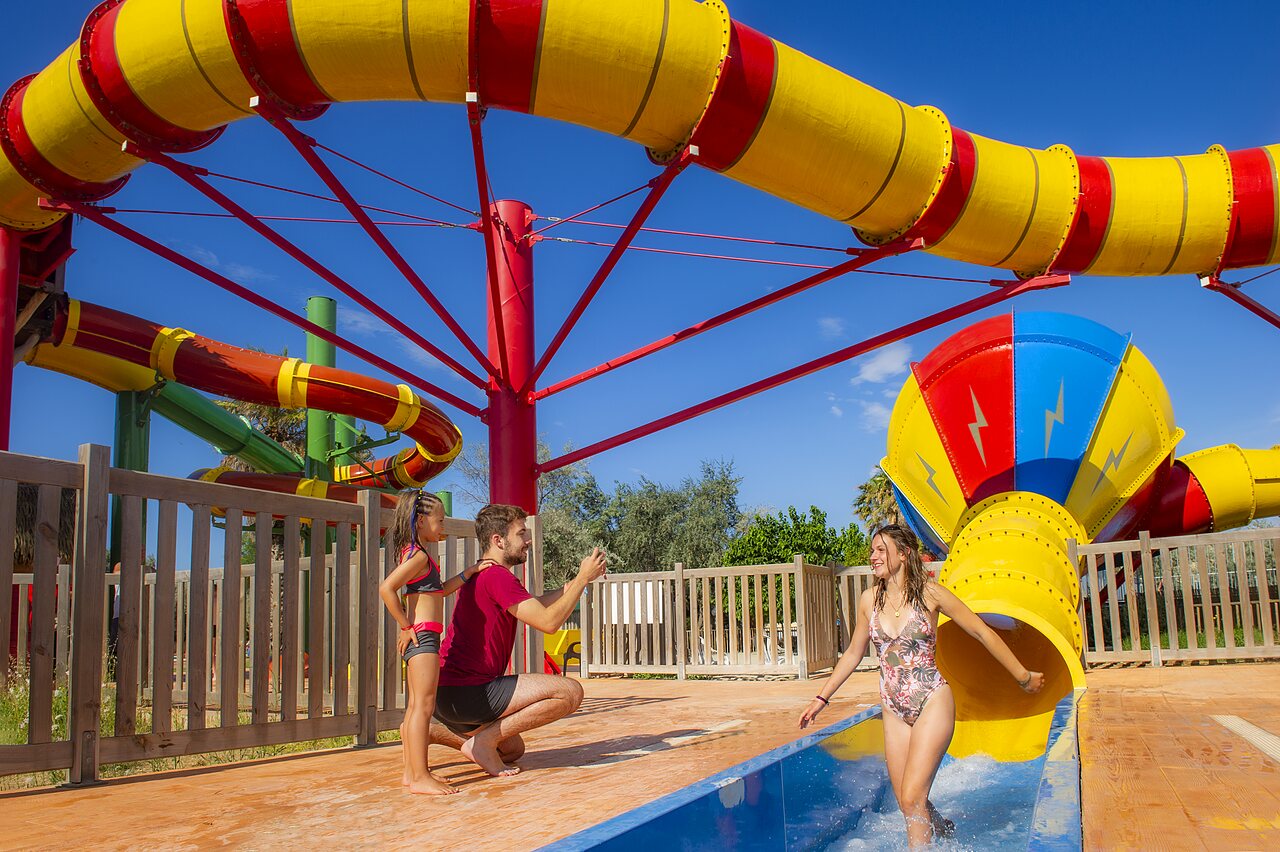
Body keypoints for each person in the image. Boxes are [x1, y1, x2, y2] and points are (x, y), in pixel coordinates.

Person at [798, 524, 1045, 848]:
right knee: (906, 799)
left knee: (913, 795)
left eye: (881, 550)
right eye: (872, 550)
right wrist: (821, 698)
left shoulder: (932, 594)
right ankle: (942, 827)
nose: (873, 557)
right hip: (893, 708)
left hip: (931, 700)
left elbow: (981, 632)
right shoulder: (869, 600)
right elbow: (853, 654)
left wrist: (1023, 676)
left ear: (904, 554)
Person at [429, 503, 607, 777]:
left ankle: (439, 731)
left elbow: (533, 605)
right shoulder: (497, 576)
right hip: (469, 692)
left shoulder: (484, 574)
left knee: (512, 750)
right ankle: (484, 742)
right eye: (522, 533)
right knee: (569, 692)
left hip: (448, 696)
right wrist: (583, 579)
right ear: (498, 540)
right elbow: (548, 623)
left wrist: (569, 587)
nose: (528, 540)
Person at [379, 489, 482, 795]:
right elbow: (387, 589)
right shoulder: (419, 555)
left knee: (415, 707)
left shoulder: (415, 553)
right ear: (421, 521)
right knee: (423, 707)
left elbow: (438, 592)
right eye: (439, 521)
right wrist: (405, 626)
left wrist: (468, 573)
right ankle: (421, 775)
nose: (443, 527)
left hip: (422, 635)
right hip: (423, 636)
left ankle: (412, 774)